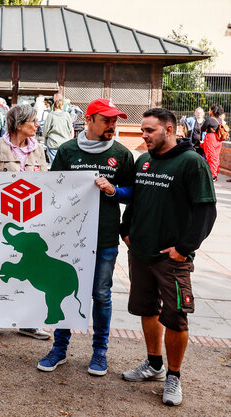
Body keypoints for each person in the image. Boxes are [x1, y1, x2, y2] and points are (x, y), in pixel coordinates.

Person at [120, 108, 216, 406]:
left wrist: (184, 248)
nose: (144, 135)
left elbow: (205, 211)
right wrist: (126, 228)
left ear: (170, 130)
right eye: (143, 130)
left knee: (175, 317)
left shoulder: (191, 163)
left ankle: (173, 377)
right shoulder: (143, 161)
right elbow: (136, 200)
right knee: (147, 310)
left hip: (171, 258)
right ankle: (154, 364)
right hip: (141, 252)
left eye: (150, 130)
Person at [37, 98, 134, 376]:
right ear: (89, 120)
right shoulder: (67, 151)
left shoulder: (122, 154)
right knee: (62, 289)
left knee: (100, 294)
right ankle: (59, 348)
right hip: (69, 238)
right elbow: (54, 189)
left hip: (104, 237)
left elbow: (132, 193)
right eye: (107, 120)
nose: (112, 125)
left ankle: (100, 351)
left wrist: (113, 190)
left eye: (115, 121)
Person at [0, 103, 50, 341]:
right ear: (19, 124)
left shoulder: (38, 150)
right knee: (0, 268)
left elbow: (44, 183)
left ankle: (29, 322)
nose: (36, 125)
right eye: (32, 121)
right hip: (2, 219)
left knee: (32, 269)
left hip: (31, 219)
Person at [42, 94, 74, 163]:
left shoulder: (50, 115)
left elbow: (45, 130)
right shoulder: (67, 115)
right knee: (64, 163)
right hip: (65, 143)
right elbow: (70, 129)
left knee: (54, 164)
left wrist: (44, 136)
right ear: (62, 106)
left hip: (53, 143)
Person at [200, 104, 224, 181]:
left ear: (212, 111)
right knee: (216, 157)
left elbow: (202, 129)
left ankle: (212, 176)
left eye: (210, 109)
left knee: (210, 157)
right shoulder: (220, 120)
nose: (209, 111)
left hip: (211, 139)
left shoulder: (210, 120)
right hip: (218, 140)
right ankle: (215, 174)